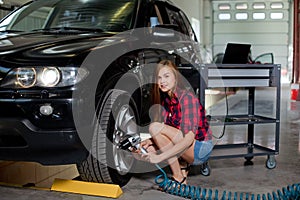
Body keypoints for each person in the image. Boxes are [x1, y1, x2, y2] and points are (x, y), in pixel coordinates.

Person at [138, 59, 213, 185]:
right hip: (186, 144)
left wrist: (160, 157)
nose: (162, 81)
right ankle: (182, 170)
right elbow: (167, 133)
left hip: (200, 148)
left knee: (154, 127)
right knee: (148, 149)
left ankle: (179, 176)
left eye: (167, 76)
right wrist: (148, 142)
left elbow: (189, 139)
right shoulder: (165, 102)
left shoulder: (187, 98)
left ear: (176, 78)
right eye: (159, 77)